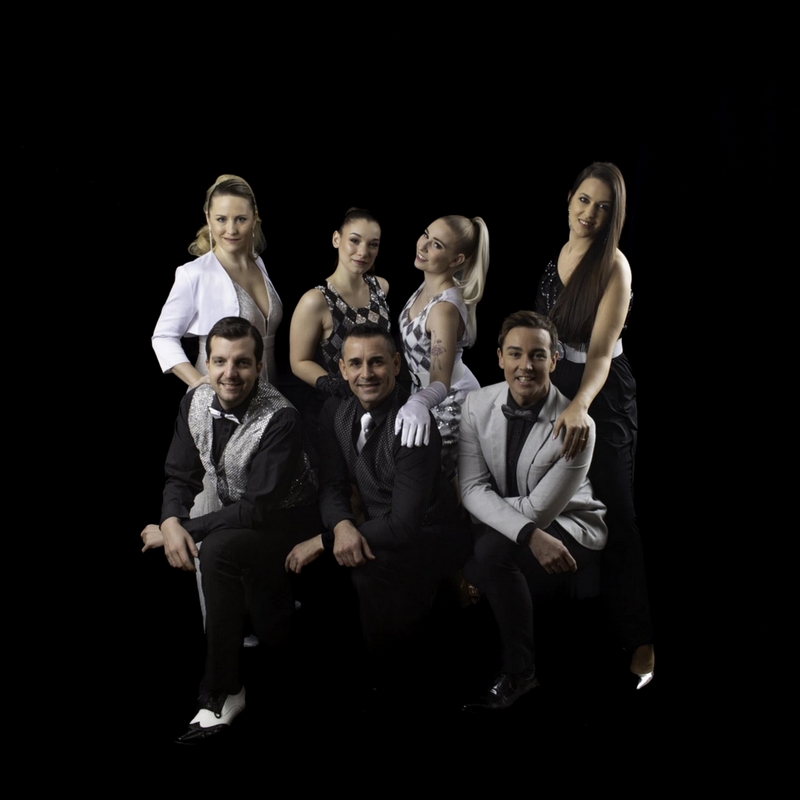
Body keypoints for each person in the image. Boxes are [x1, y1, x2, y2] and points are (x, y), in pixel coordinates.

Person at [141, 317, 319, 743]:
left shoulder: (281, 417)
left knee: (218, 549)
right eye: (220, 361)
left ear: (259, 366)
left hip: (290, 520)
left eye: (241, 362)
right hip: (240, 514)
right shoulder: (196, 399)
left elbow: (258, 509)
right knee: (221, 547)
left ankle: (224, 690)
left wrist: (181, 530)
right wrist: (170, 521)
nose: (229, 373)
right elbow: (180, 474)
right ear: (207, 362)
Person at [534, 161, 654, 687]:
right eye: (584, 200)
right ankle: (570, 614)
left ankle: (641, 637)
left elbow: (601, 355)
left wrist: (580, 404)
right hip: (558, 381)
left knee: (617, 509)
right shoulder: (558, 254)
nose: (590, 213)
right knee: (553, 500)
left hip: (601, 393)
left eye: (603, 207)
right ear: (569, 199)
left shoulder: (615, 267)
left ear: (614, 216)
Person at [285, 323, 467, 667]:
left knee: (368, 570)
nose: (366, 374)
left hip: (429, 535)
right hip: (375, 526)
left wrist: (325, 540)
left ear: (396, 364)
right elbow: (333, 484)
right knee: (310, 567)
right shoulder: (335, 410)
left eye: (377, 362)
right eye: (355, 364)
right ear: (342, 369)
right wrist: (341, 526)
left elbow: (403, 526)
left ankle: (389, 672)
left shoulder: (414, 421)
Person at [459, 311, 607, 711]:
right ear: (499, 358)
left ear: (554, 360)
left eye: (538, 355)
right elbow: (469, 487)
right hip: (519, 525)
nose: (526, 365)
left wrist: (492, 513)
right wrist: (509, 522)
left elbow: (537, 510)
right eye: (515, 354)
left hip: (567, 524)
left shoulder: (579, 425)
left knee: (488, 554)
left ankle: (521, 673)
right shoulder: (476, 404)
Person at [152, 174, 282, 387]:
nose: (231, 230)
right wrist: (198, 382)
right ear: (208, 218)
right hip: (218, 396)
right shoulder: (194, 273)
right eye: (221, 219)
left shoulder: (259, 263)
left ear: (254, 217)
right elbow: (163, 337)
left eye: (241, 219)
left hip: (270, 395)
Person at [395, 216, 489, 480]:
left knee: (437, 479)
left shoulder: (444, 309)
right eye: (425, 234)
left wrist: (417, 401)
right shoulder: (428, 284)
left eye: (436, 244)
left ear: (456, 260)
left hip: (450, 401)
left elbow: (440, 380)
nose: (423, 246)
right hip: (424, 395)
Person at [289, 209, 390, 438]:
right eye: (354, 240)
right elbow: (298, 362)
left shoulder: (381, 288)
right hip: (335, 412)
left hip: (380, 407)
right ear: (336, 239)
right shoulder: (316, 300)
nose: (363, 252)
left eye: (373, 244)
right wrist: (340, 387)